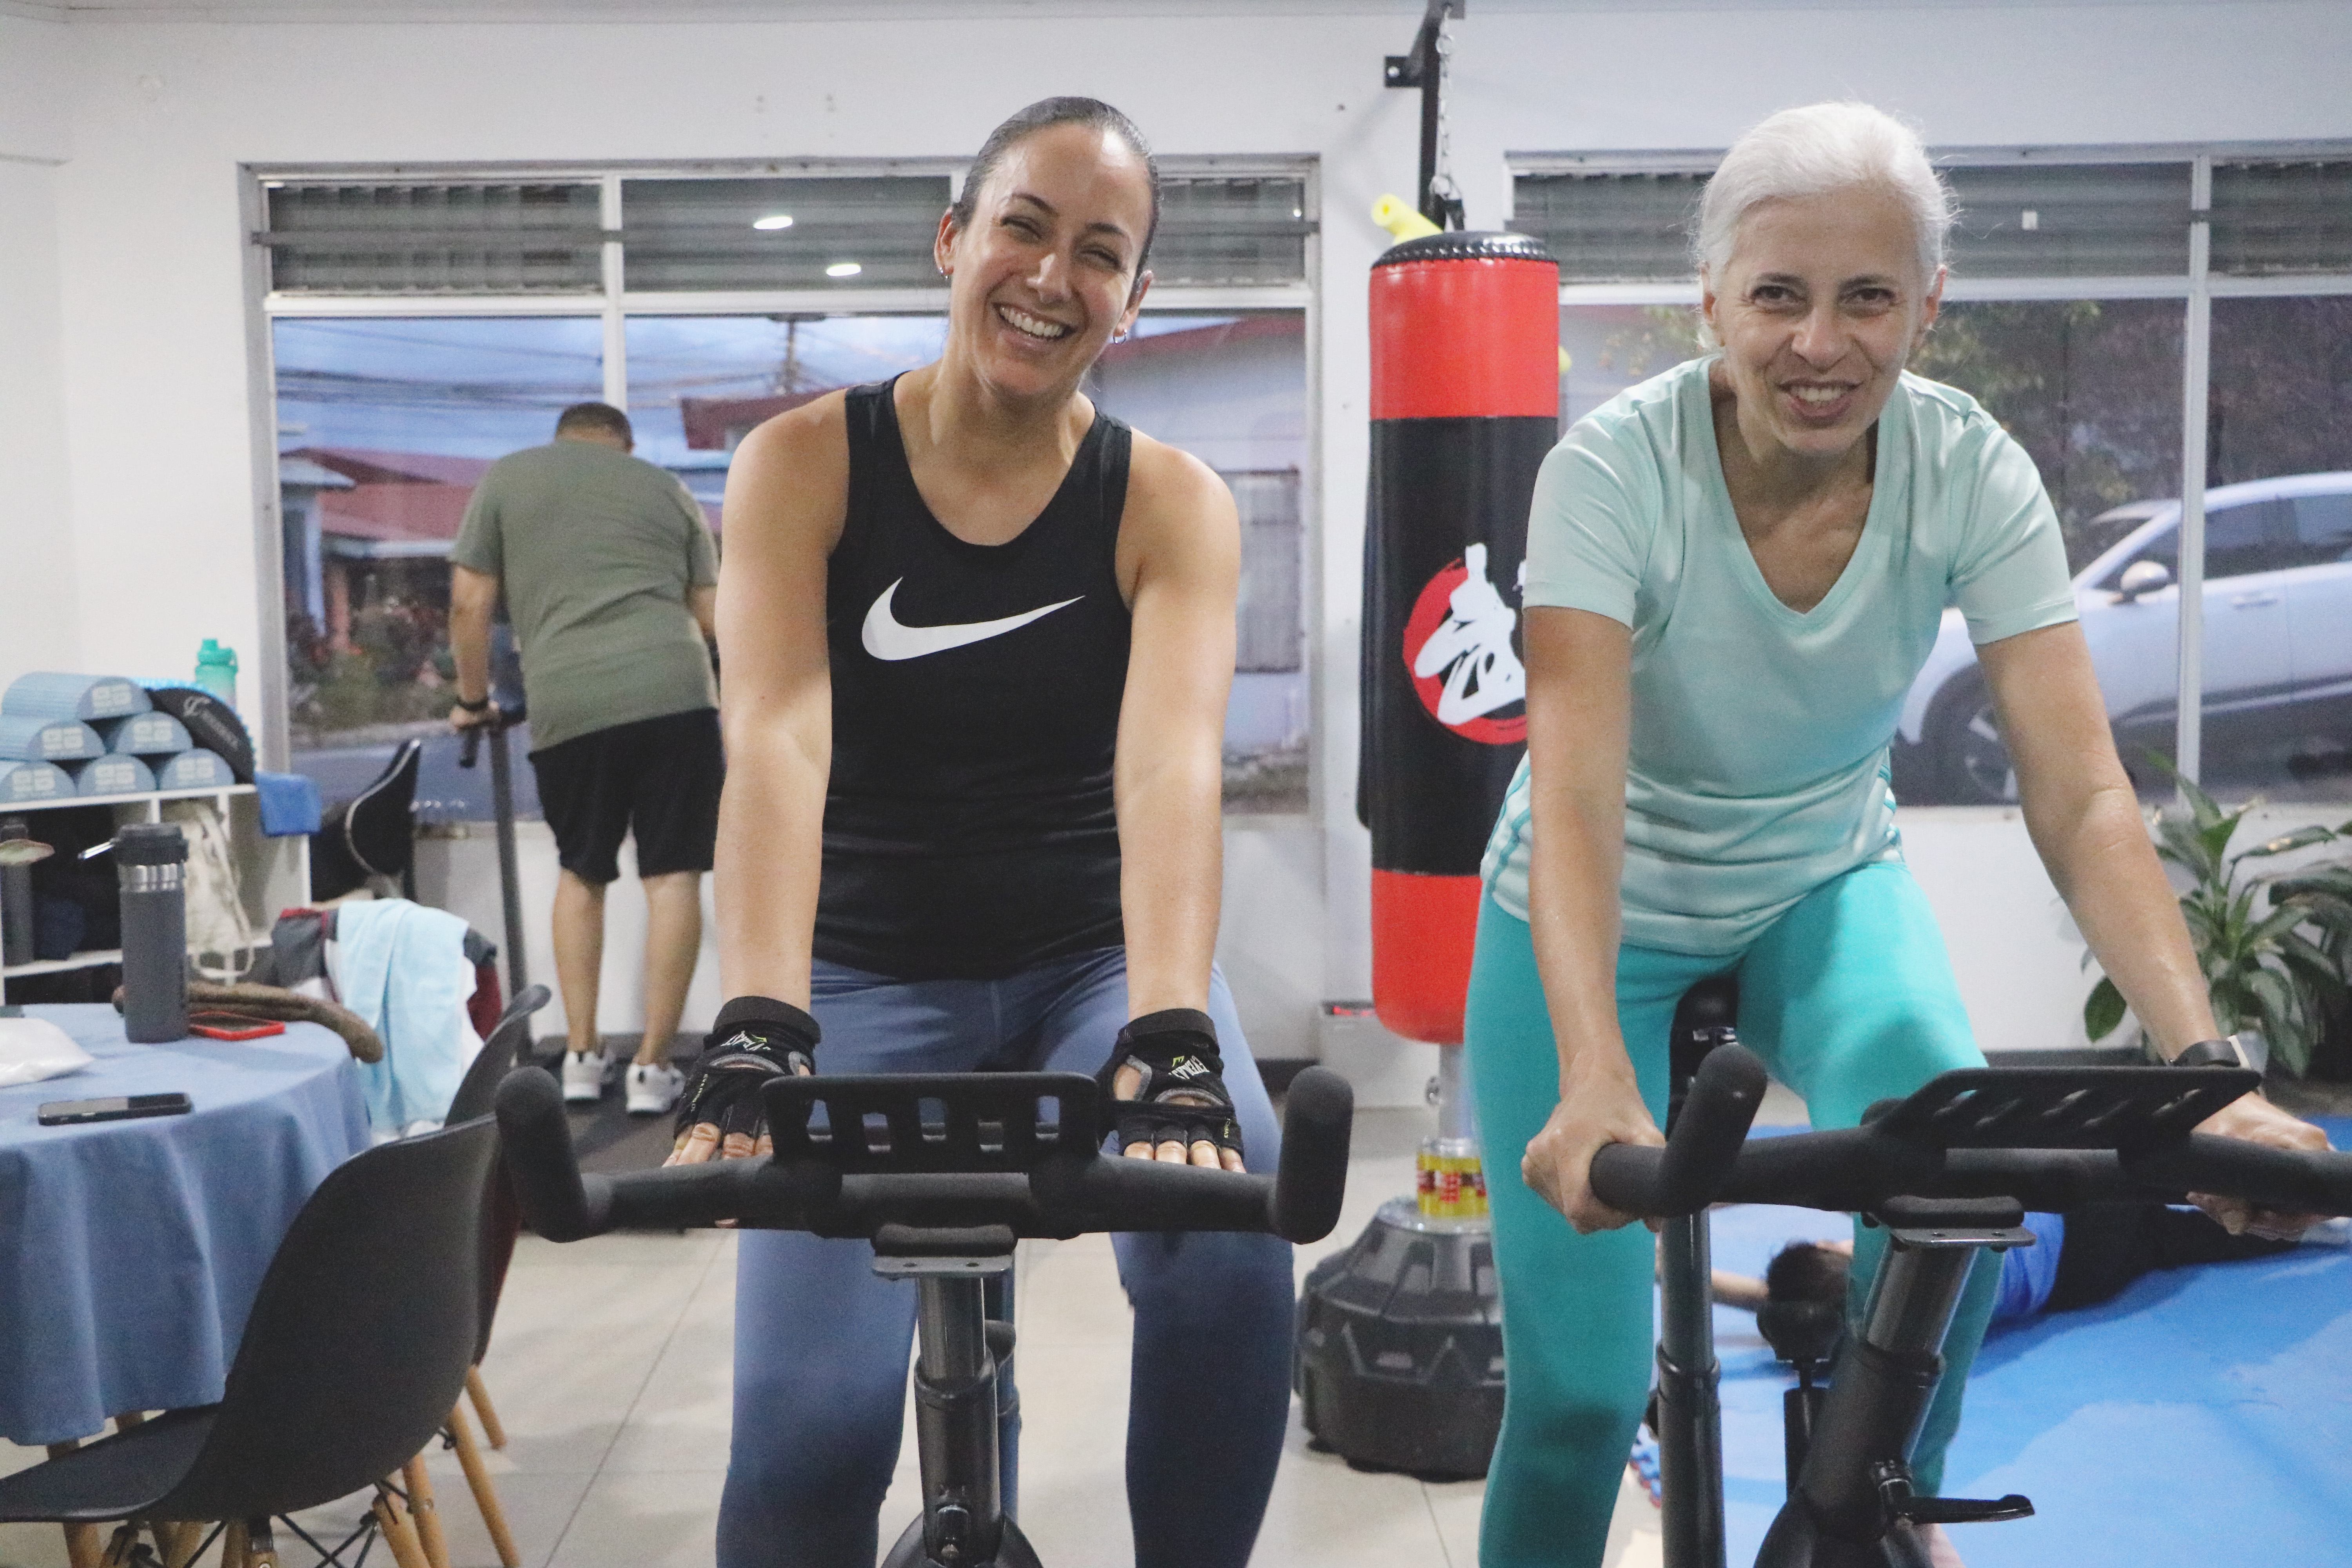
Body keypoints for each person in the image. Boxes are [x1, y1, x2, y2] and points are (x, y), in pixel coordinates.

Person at [1460, 101, 2329, 1568]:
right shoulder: (1610, 471)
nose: (1821, 343)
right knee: (1577, 1397)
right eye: (1779, 297)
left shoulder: (1969, 466)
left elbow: (2080, 789)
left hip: (1822, 887)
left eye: (1868, 297)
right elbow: (1580, 793)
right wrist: (1599, 1076)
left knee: (1955, 1188)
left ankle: (1881, 1513)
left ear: (1927, 306)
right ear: (1713, 303)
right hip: (1592, 904)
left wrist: (2206, 1078)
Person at [664, 98, 1291, 1568]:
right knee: (810, 1432)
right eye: (1024, 225)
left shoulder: (1169, 503)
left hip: (1086, 969)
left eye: (1100, 252)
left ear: (1132, 302)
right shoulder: (805, 464)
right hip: (867, 974)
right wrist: (762, 1015)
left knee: (1232, 1248)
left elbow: (1170, 769)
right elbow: (773, 738)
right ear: (953, 241)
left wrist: (1175, 1025)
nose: (1050, 275)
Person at [448, 400, 720, 1117]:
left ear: (563, 438)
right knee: (673, 877)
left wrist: (473, 700)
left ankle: (579, 1055)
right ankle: (654, 1069)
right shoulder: (667, 489)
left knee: (582, 871)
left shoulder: (507, 480)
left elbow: (469, 603)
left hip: (570, 700)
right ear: (623, 446)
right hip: (677, 693)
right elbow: (712, 612)